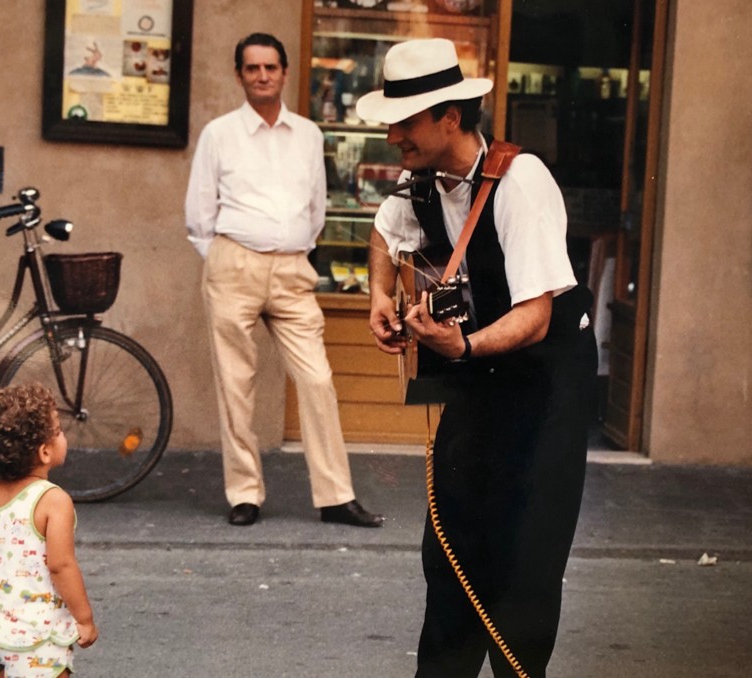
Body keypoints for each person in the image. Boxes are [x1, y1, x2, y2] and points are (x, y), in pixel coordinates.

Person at [359, 39, 597, 677]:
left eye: (405, 121)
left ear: (450, 118)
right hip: (476, 378)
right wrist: (381, 294)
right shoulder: (422, 185)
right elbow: (383, 232)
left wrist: (461, 346)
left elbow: (535, 315)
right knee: (451, 545)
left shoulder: (521, 182)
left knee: (526, 553)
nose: (392, 135)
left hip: (546, 386)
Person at [184, 32, 383, 529]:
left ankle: (336, 496)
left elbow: (316, 208)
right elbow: (198, 215)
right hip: (235, 266)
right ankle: (244, 493)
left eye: (271, 67)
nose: (263, 76)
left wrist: (291, 250)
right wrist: (227, 261)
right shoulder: (219, 134)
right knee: (236, 384)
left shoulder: (309, 135)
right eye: (252, 68)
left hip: (293, 269)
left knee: (316, 379)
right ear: (240, 76)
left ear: (285, 72)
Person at [0, 384, 99, 678]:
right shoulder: (53, 500)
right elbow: (61, 565)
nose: (64, 435)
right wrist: (84, 618)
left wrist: (3, 600)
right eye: (59, 430)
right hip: (36, 640)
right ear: (45, 451)